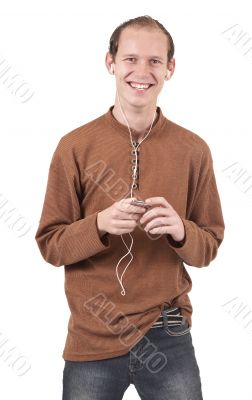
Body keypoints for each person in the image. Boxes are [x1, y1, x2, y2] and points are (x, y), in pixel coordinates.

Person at [35, 15, 225, 400]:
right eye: (131, 59)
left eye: (155, 61)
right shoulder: (74, 146)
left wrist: (181, 231)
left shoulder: (194, 150)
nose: (142, 71)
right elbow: (51, 245)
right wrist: (100, 224)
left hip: (168, 330)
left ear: (170, 69)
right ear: (111, 63)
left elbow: (208, 247)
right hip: (93, 334)